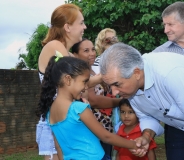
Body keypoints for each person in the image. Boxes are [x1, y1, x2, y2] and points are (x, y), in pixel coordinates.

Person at [99, 43, 184, 160]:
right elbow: (147, 115)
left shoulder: (168, 72)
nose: (114, 92)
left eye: (117, 84)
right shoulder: (131, 89)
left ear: (136, 73)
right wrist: (146, 136)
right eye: (109, 86)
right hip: (178, 120)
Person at [36, 55, 140, 159]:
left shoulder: (49, 112)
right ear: (68, 79)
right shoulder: (78, 108)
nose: (86, 87)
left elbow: (58, 146)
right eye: (85, 81)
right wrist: (133, 145)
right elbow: (106, 137)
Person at [36, 3, 99, 160]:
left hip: (64, 121)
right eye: (81, 22)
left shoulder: (68, 54)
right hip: (57, 122)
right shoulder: (55, 46)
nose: (84, 27)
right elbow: (77, 83)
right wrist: (104, 77)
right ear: (67, 27)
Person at [72, 38, 121, 159]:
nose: (92, 53)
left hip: (105, 127)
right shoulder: (79, 73)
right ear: (75, 54)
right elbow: (93, 101)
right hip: (93, 130)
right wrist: (121, 102)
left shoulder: (93, 70)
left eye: (93, 49)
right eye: (86, 50)